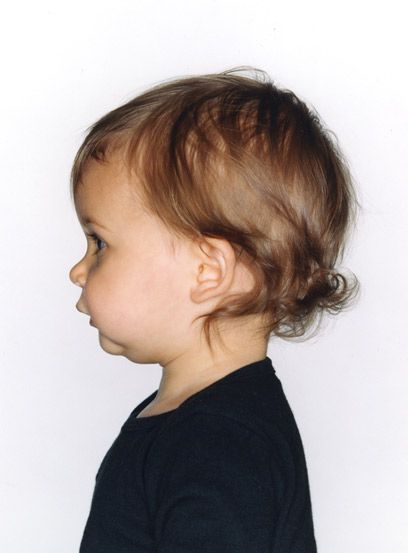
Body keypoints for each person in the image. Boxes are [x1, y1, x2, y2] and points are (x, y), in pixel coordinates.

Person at [68, 65, 360, 552]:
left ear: (207, 272)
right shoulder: (199, 423)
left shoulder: (215, 444)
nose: (79, 270)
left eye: (99, 243)